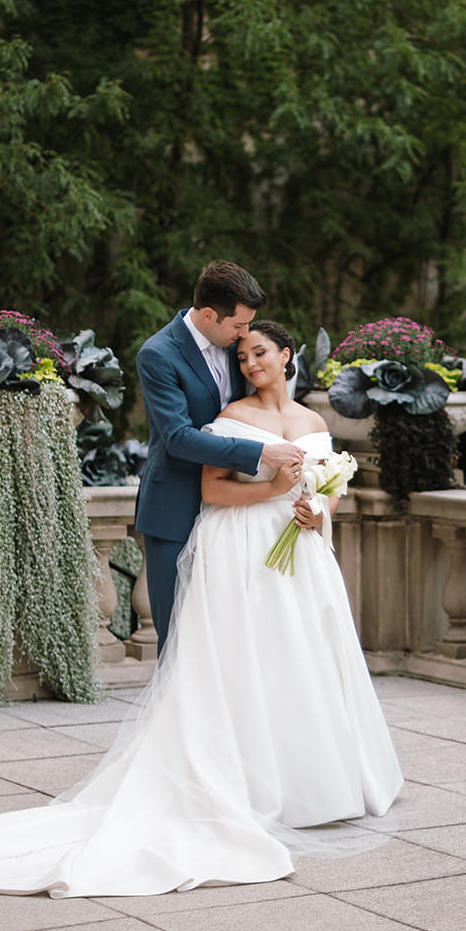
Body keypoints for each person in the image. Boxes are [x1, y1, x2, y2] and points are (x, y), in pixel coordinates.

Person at [0, 319, 403, 897]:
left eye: (260, 352)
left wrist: (320, 512)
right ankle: (249, 783)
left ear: (287, 355)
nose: (250, 364)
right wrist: (273, 491)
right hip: (244, 544)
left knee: (299, 658)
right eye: (242, 355)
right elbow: (214, 490)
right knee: (247, 658)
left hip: (301, 553)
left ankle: (312, 780)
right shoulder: (234, 418)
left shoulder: (315, 421)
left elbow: (331, 482)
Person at [134, 260, 303, 651]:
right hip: (175, 508)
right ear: (209, 314)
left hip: (234, 515)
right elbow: (178, 437)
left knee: (229, 638)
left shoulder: (236, 350)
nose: (246, 335)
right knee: (177, 637)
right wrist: (261, 453)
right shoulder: (158, 354)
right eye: (239, 325)